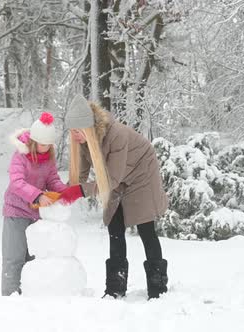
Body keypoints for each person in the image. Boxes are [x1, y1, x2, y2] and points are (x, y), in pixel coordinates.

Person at [64, 95, 169, 300]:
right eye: (72, 132)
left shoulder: (117, 135)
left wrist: (78, 191)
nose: (74, 136)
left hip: (141, 174)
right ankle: (115, 289)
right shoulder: (84, 143)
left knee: (146, 229)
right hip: (115, 177)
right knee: (114, 227)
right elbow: (80, 177)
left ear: (88, 127)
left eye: (77, 131)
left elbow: (110, 180)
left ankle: (158, 289)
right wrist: (62, 192)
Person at [1, 112, 75, 296]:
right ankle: (10, 297)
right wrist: (38, 196)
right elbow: (17, 183)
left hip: (36, 215)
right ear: (33, 141)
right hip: (16, 212)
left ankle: (30, 296)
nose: (46, 148)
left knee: (34, 258)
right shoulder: (20, 156)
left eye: (49, 144)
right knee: (14, 257)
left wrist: (64, 192)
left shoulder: (48, 158)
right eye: (43, 144)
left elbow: (52, 180)